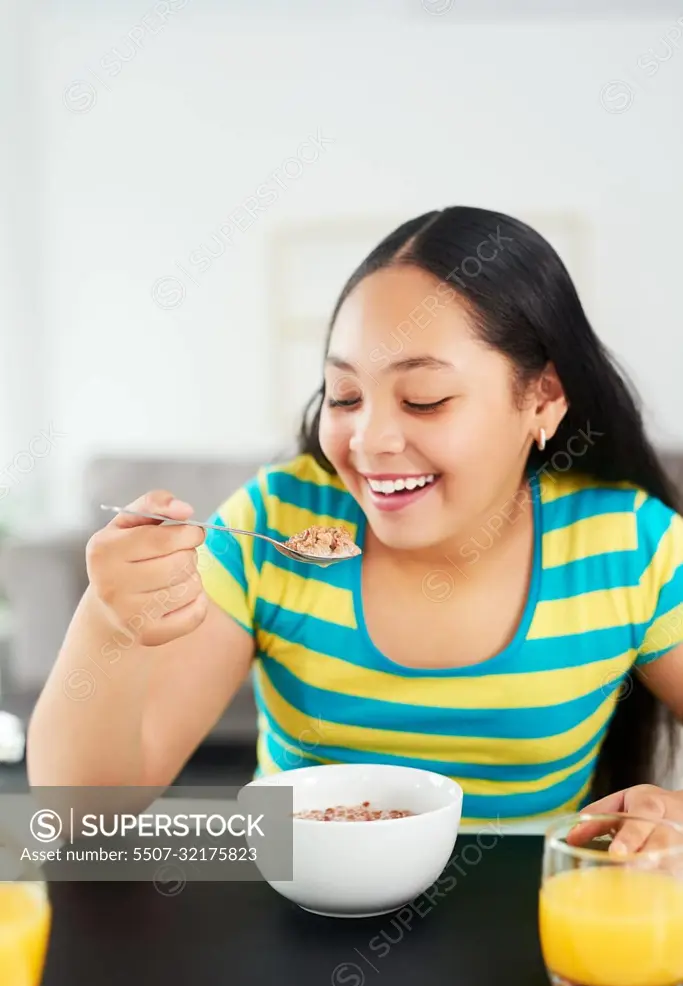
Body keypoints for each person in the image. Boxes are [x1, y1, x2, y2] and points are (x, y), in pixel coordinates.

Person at [27, 206, 683, 849]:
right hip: (294, 924)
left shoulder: (628, 547)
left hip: (526, 937)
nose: (369, 440)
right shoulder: (271, 526)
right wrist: (108, 626)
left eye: (423, 399)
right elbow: (85, 821)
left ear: (541, 396)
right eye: (343, 397)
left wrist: (669, 816)